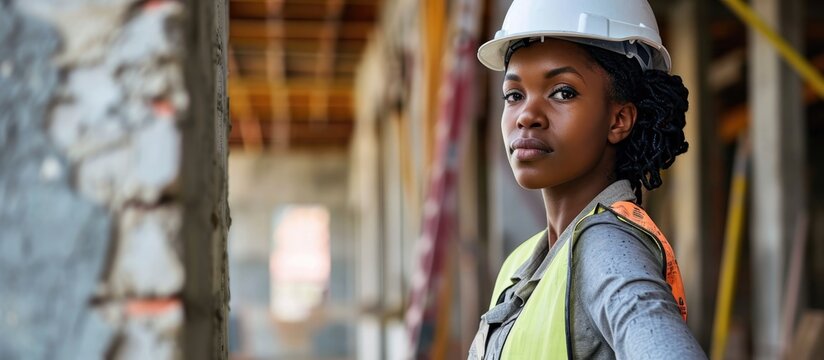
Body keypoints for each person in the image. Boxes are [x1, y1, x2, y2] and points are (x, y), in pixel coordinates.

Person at [468, 0, 708, 359]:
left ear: (619, 120)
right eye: (514, 95)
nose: (527, 115)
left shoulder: (605, 247)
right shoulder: (519, 266)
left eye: (563, 92)